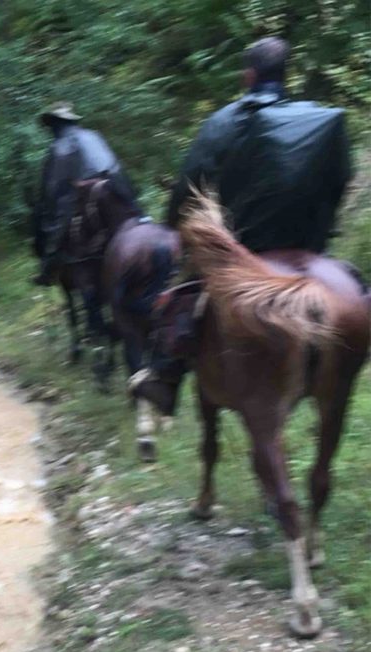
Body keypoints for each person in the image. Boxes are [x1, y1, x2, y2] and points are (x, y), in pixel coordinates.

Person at [131, 36, 354, 415]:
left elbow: (191, 182)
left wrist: (175, 224)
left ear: (248, 75)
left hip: (240, 247)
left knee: (179, 292)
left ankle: (165, 377)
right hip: (306, 245)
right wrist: (320, 229)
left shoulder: (225, 121)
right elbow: (341, 177)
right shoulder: (312, 120)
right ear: (285, 74)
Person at [34, 103, 137, 286]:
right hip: (117, 186)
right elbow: (114, 165)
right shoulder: (93, 135)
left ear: (55, 124)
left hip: (86, 193)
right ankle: (142, 218)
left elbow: (53, 191)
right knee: (132, 209)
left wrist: (47, 214)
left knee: (54, 223)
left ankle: (48, 266)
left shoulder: (58, 147)